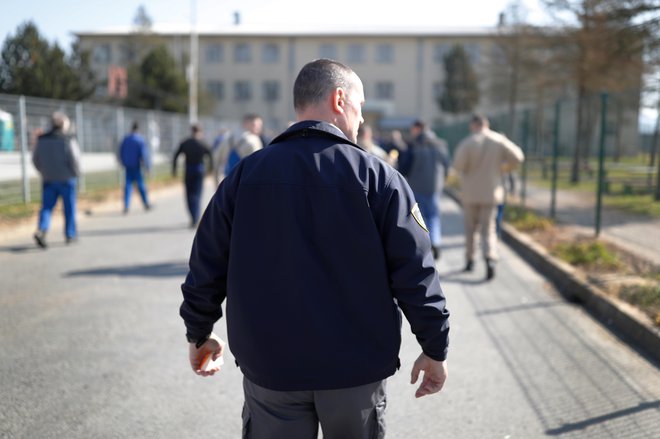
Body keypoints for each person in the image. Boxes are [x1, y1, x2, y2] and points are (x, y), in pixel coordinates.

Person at [180, 58, 450, 438]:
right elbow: (416, 273)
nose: (360, 118)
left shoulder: (244, 175)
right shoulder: (378, 178)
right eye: (360, 106)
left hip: (271, 369)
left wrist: (199, 332)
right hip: (355, 370)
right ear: (340, 100)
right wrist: (435, 347)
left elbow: (206, 266)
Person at [452, 114, 525, 280]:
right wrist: (504, 168)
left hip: (470, 193)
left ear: (473, 125)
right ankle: (490, 257)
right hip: (491, 192)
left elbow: (457, 165)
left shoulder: (467, 142)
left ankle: (470, 260)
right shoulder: (499, 140)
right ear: (486, 124)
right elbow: (518, 157)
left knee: (471, 229)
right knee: (489, 229)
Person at [398, 120, 450, 260]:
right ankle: (436, 241)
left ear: (418, 128)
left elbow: (403, 167)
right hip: (435, 187)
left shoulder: (414, 145)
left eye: (412, 129)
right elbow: (447, 165)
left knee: (419, 217)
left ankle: (424, 245)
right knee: (433, 215)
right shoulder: (441, 144)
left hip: (416, 186)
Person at [32, 111, 81, 248]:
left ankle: (42, 230)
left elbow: (35, 160)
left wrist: (44, 171)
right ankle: (70, 234)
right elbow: (75, 160)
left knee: (47, 207)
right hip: (66, 179)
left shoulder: (42, 140)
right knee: (69, 208)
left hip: (48, 179)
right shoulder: (68, 139)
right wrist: (76, 173)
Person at [172, 124, 213, 228]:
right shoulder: (203, 143)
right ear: (200, 131)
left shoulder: (185, 142)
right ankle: (196, 217)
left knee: (189, 194)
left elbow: (176, 155)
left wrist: (174, 169)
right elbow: (210, 155)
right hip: (199, 169)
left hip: (188, 170)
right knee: (197, 194)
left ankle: (193, 217)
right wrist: (210, 169)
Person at [214, 113, 263, 181]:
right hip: (246, 182)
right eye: (256, 125)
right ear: (246, 123)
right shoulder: (254, 139)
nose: (259, 128)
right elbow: (258, 165)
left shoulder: (227, 138)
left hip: (228, 181)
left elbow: (216, 161)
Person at [118, 121, 151, 214]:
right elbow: (144, 154)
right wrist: (148, 166)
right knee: (141, 185)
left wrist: (122, 161)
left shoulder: (126, 139)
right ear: (138, 129)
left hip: (128, 166)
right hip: (137, 166)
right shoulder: (140, 139)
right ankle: (146, 203)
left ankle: (126, 206)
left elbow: (121, 151)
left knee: (128, 186)